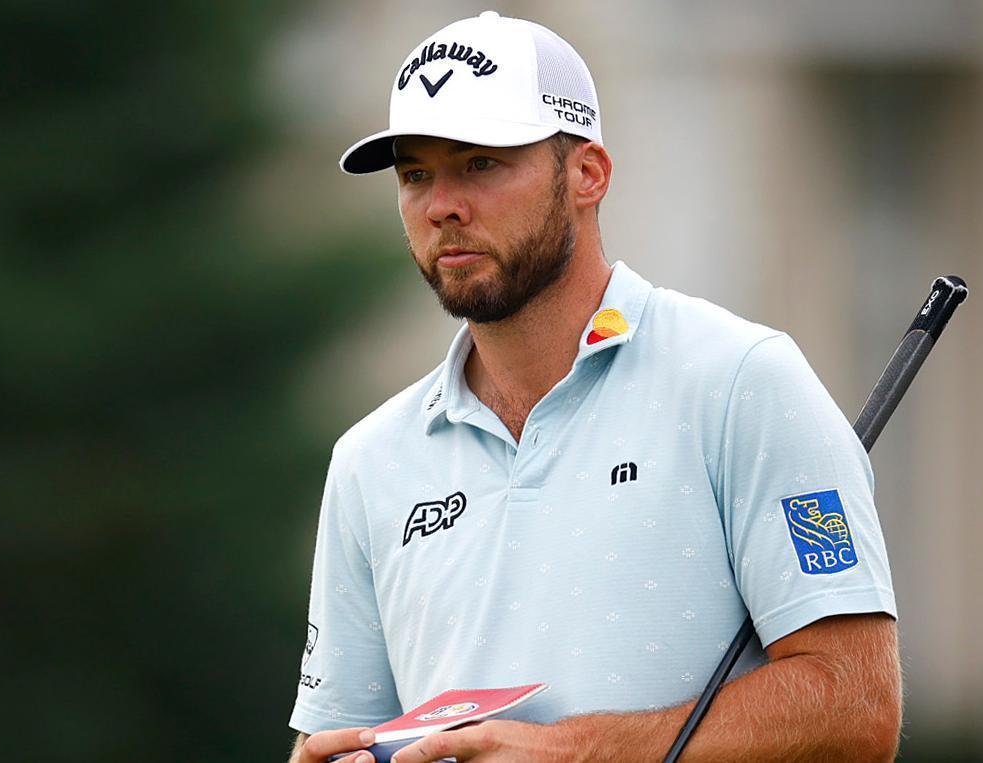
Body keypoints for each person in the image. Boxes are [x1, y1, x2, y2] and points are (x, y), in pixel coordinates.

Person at [288, 12, 901, 763]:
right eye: (416, 174)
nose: (441, 203)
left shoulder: (743, 382)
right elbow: (334, 739)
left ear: (588, 174)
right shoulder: (369, 460)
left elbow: (856, 703)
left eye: (480, 163)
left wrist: (578, 750)